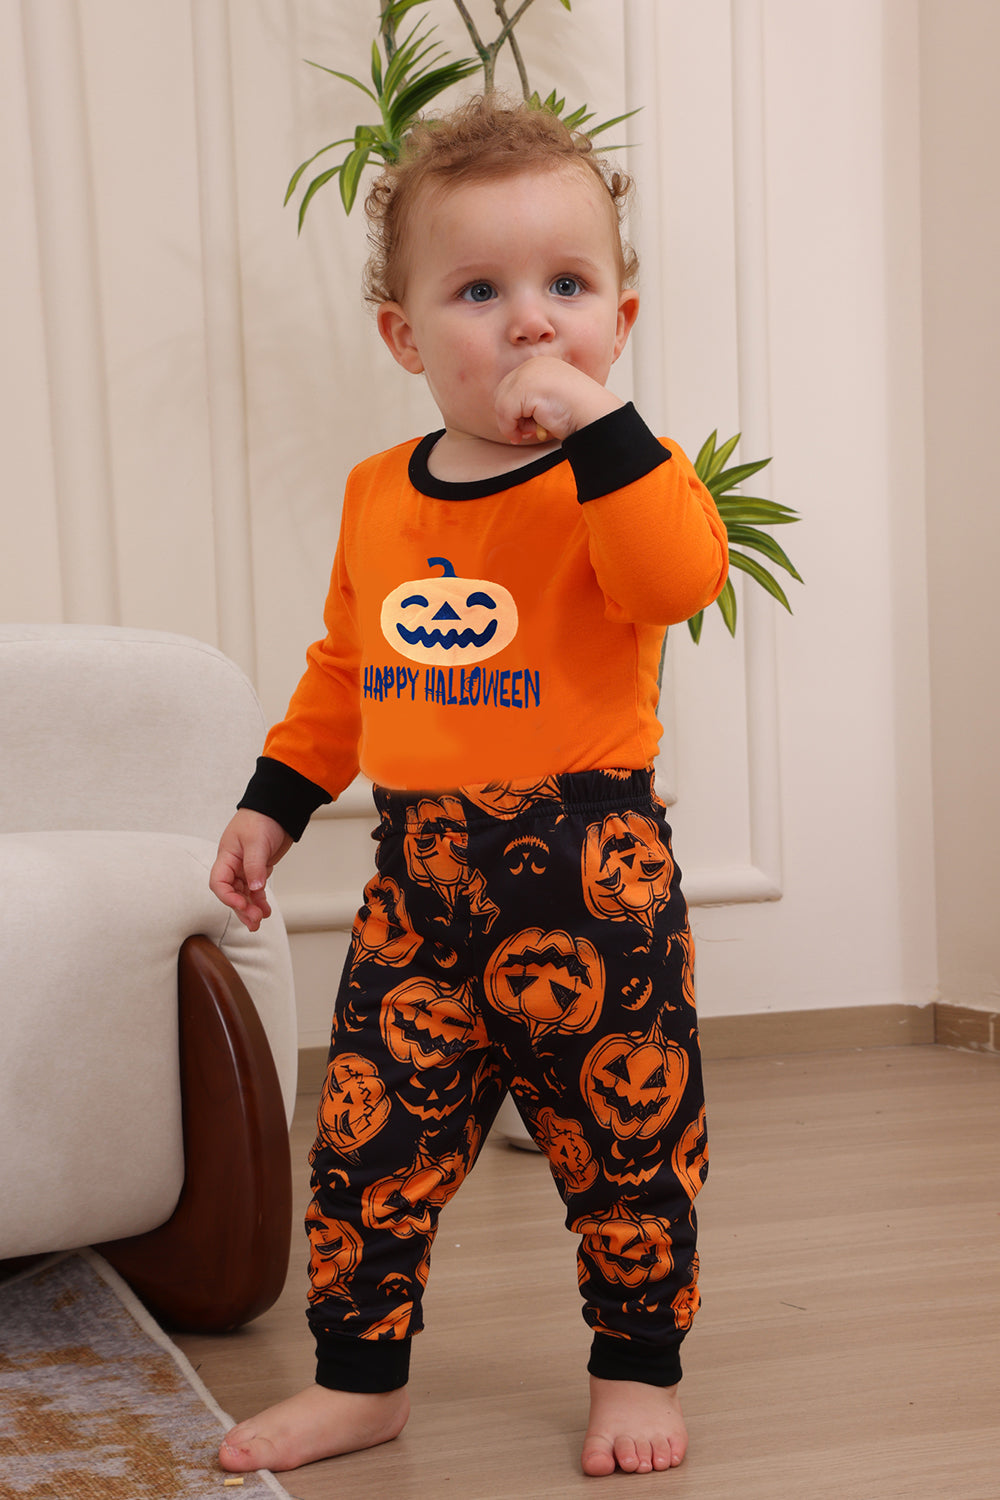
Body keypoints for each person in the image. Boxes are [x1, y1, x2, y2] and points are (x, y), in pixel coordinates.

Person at [210, 93, 726, 1480]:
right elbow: (347, 668)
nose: (531, 324)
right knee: (367, 1139)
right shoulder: (380, 492)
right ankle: (360, 1380)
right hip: (421, 881)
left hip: (592, 873)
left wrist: (605, 429)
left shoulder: (626, 476)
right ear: (405, 335)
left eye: (569, 287)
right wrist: (272, 801)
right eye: (481, 291)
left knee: (627, 1144)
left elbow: (678, 580)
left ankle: (635, 1369)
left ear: (620, 317)